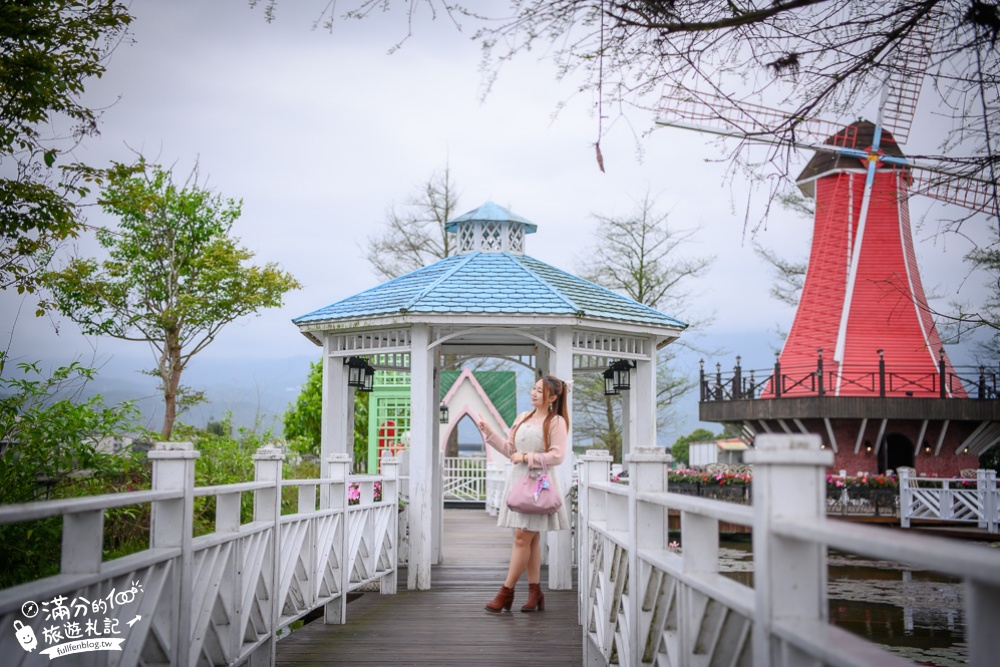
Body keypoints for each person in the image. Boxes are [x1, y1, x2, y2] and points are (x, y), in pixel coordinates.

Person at [476, 374, 571, 613]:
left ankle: (506, 592)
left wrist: (527, 458)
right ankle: (535, 591)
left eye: (540, 390)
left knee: (521, 537)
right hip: (520, 483)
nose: (534, 393)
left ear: (552, 396)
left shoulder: (556, 421)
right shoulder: (522, 418)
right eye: (534, 388)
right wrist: (489, 433)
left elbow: (558, 456)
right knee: (531, 538)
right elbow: (510, 450)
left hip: (539, 485)